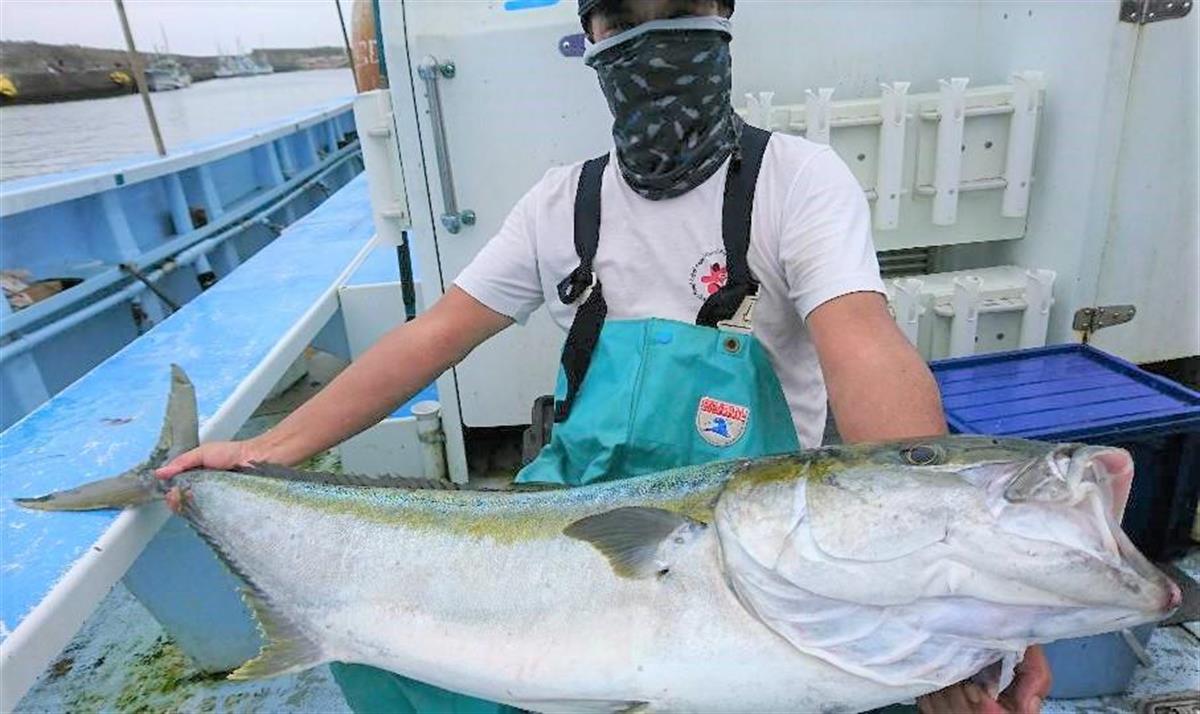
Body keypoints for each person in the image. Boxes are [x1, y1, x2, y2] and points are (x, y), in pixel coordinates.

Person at [159, 1, 1052, 712]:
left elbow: (864, 347)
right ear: (587, 35)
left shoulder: (796, 182)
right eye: (623, 20)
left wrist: (951, 584)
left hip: (752, 542)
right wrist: (271, 452)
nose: (653, 40)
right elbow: (432, 339)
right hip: (582, 518)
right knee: (388, 644)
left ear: (724, 16)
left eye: (681, 11)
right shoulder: (563, 203)